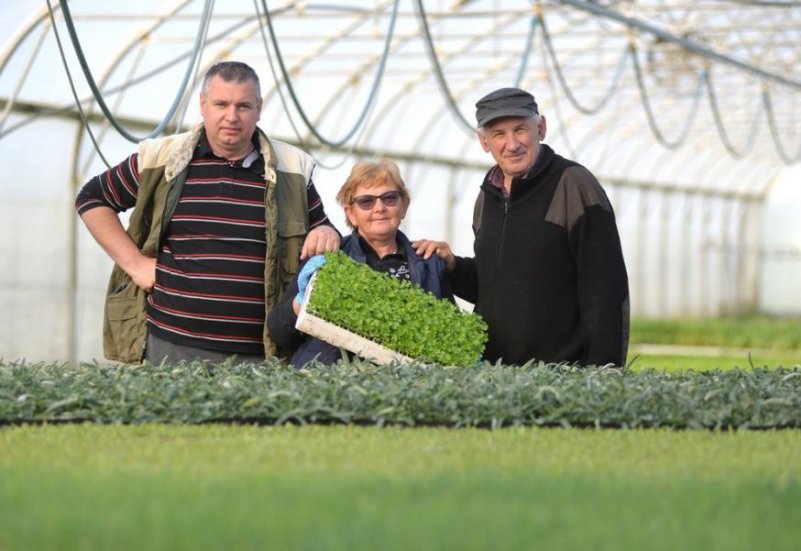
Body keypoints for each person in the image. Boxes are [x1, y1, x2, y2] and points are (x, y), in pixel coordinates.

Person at [75, 61, 340, 365]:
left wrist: (326, 231)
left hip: (259, 354)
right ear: (203, 105)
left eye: (243, 105)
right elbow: (92, 198)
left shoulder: (290, 168)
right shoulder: (163, 159)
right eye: (221, 104)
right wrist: (135, 264)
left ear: (259, 108)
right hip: (171, 345)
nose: (232, 116)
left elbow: (324, 232)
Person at [414, 87, 629, 367]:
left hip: (560, 374)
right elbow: (497, 284)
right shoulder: (487, 196)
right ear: (483, 142)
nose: (511, 144)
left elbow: (604, 288)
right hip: (495, 373)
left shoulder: (573, 184)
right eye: (498, 134)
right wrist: (453, 266)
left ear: (541, 128)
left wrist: (603, 371)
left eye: (520, 130)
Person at [269, 159, 454, 368]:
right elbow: (279, 334)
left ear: (404, 205)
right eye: (366, 201)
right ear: (350, 213)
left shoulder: (428, 262)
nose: (379, 208)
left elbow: (450, 340)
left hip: (405, 385)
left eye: (389, 198)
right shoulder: (328, 257)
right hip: (330, 382)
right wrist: (302, 303)